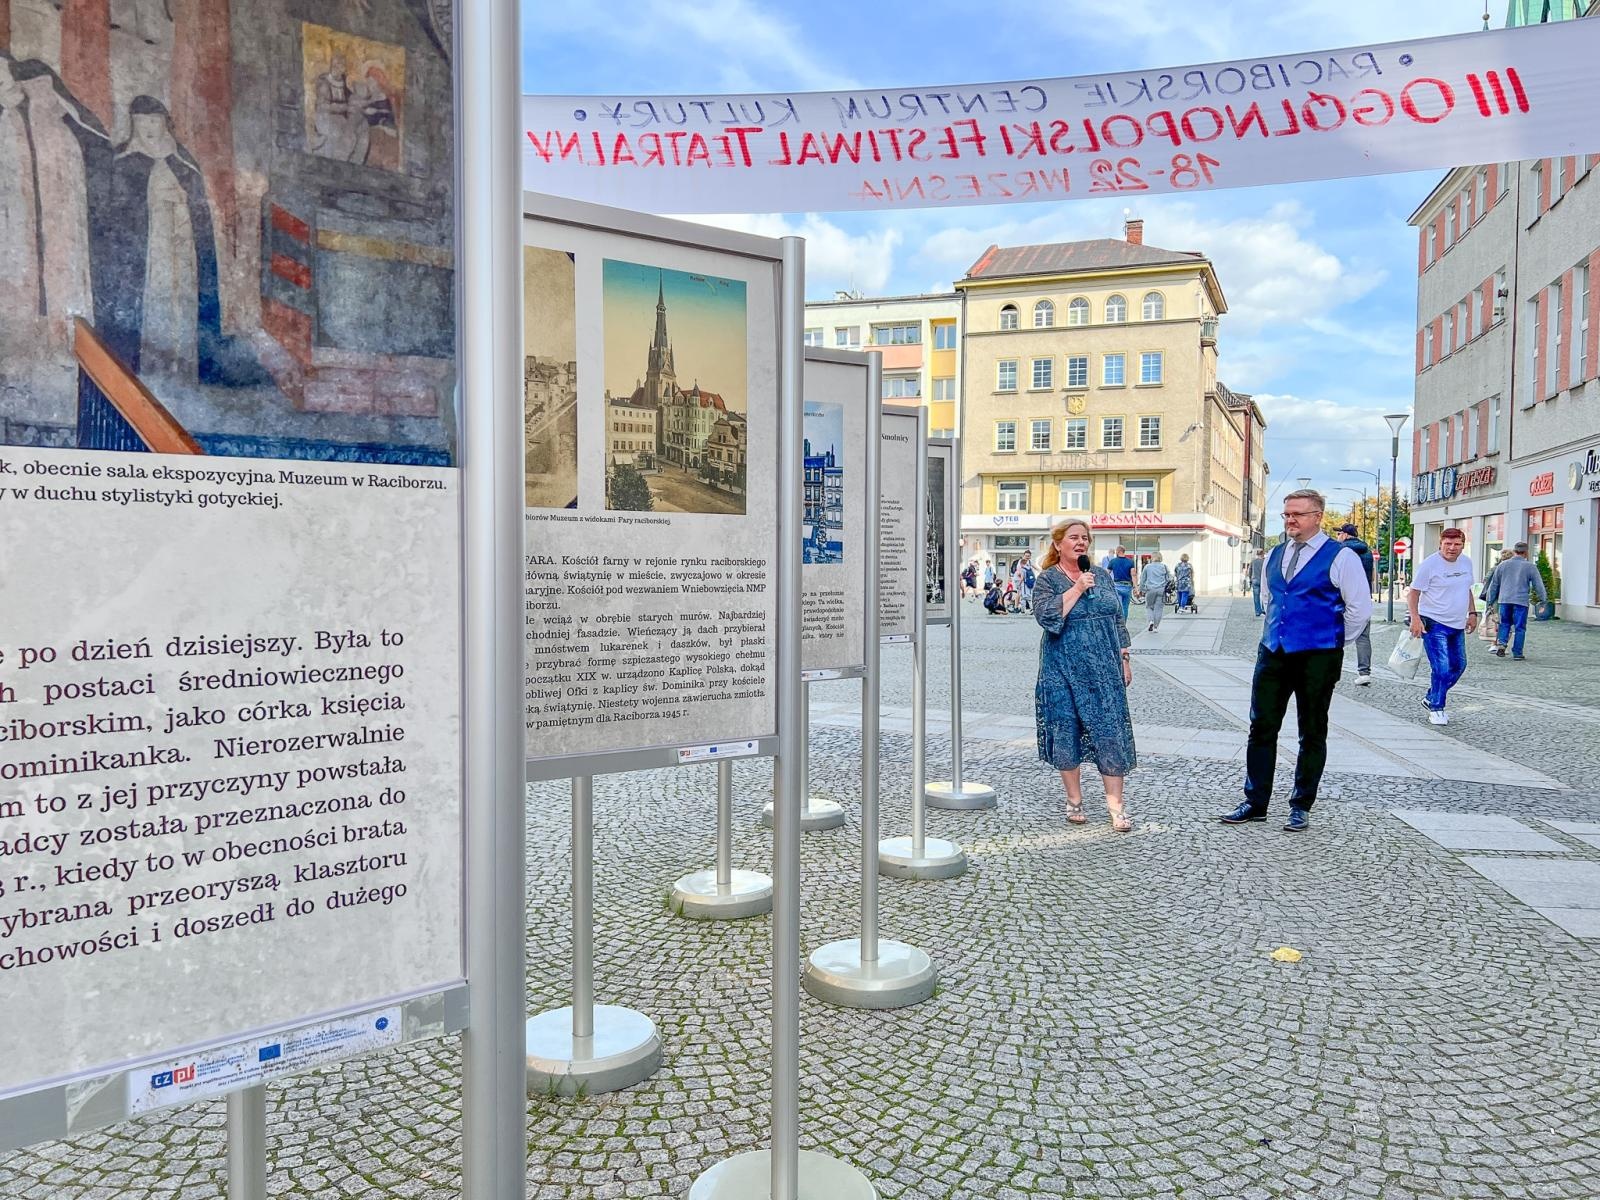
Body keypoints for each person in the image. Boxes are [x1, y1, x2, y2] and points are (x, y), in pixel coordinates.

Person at [1220, 490, 1372, 833]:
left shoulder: (1341, 557)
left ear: (1318, 516)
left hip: (1318, 655)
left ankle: (1301, 804)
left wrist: (1330, 641)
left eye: (1298, 514)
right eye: (1287, 514)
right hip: (1273, 652)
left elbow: (1359, 609)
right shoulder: (1275, 553)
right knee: (1261, 727)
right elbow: (1269, 597)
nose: (1290, 520)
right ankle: (1255, 801)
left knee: (1312, 730)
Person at [1033, 518, 1136, 832]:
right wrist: (1077, 588)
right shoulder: (1048, 579)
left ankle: (1116, 806)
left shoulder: (1102, 575)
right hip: (1061, 667)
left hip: (1104, 667)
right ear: (1058, 544)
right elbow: (1047, 617)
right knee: (1066, 730)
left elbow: (1117, 619)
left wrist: (1125, 658)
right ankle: (1074, 799)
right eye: (1073, 537)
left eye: (1085, 538)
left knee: (1110, 731)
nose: (1080, 543)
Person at [1407, 529, 1478, 724]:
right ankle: (1437, 707)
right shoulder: (1429, 565)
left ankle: (1431, 695)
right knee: (1442, 667)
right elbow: (1413, 593)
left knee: (1459, 665)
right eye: (1448, 544)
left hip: (1457, 623)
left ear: (1463, 545)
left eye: (1456, 544)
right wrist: (1415, 618)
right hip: (1433, 622)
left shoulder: (1466, 562)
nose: (1452, 548)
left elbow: (1467, 590)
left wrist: (1472, 613)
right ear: (1441, 543)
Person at [1485, 541, 1547, 661]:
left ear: (1514, 551)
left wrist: (1489, 601)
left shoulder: (1502, 565)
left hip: (1504, 600)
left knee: (1505, 623)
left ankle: (1502, 644)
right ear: (1526, 552)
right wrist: (1543, 600)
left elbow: (1494, 585)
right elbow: (1538, 585)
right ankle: (1517, 652)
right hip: (1521, 601)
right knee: (1520, 627)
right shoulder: (1530, 566)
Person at [1334, 524, 1377, 685]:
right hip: (1362, 596)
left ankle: (1330, 668)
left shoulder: (1341, 551)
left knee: (1334, 634)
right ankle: (1364, 672)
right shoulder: (1366, 550)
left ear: (1345, 535)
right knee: (1363, 636)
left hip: (1342, 597)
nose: (1337, 536)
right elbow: (1371, 575)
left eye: (1339, 533)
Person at [1478, 549, 1514, 641]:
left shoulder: (1495, 568)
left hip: (1495, 597)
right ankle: (1500, 643)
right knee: (1503, 621)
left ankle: (1495, 643)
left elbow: (1485, 580)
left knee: (1495, 619)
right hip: (1504, 598)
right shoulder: (1509, 570)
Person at [1136, 552, 1171, 632]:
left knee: (1149, 606)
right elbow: (1169, 578)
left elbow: (1142, 579)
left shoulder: (1147, 567)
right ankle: (1155, 627)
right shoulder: (1164, 567)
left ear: (1152, 557)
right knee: (1158, 609)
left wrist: (1141, 590)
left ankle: (1151, 621)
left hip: (1150, 590)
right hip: (1161, 590)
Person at [1106, 544, 1136, 619]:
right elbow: (1133, 575)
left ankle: (1117, 625)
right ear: (1123, 551)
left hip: (1116, 587)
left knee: (1118, 607)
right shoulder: (1130, 562)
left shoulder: (1113, 561)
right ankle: (1123, 625)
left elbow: (1106, 574)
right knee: (1125, 608)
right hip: (1127, 587)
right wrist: (1136, 587)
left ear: (1118, 551)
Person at [1247, 548, 1267, 617]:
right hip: (1263, 581)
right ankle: (1264, 609)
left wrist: (1250, 579)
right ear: (1262, 554)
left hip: (1255, 580)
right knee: (1264, 595)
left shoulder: (1253, 562)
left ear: (1257, 554)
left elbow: (1249, 571)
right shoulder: (1265, 562)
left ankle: (1257, 611)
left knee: (1256, 596)